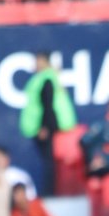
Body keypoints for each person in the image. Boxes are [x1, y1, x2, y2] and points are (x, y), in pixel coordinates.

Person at [20, 51, 77, 195]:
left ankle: (50, 192)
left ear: (44, 61)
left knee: (48, 163)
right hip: (45, 127)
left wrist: (44, 127)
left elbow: (47, 105)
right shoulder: (48, 78)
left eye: (37, 60)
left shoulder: (47, 79)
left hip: (45, 128)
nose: (35, 64)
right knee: (48, 162)